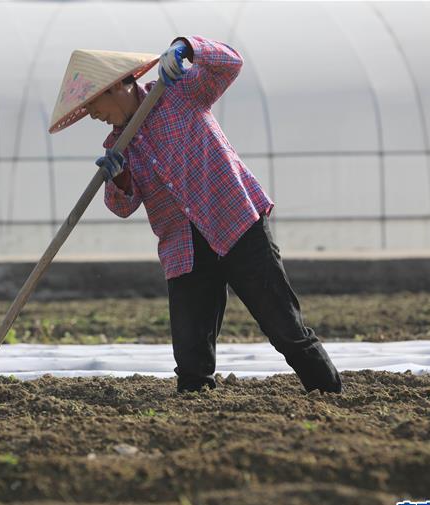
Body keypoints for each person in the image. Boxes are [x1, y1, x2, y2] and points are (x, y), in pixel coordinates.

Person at [49, 37, 342, 394]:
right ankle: (197, 412)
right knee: (191, 358)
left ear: (115, 87)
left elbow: (230, 64)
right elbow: (122, 207)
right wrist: (120, 177)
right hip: (183, 248)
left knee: (285, 328)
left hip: (235, 224)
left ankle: (329, 395)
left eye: (91, 104)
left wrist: (186, 48)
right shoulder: (117, 145)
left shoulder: (176, 93)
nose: (92, 115)